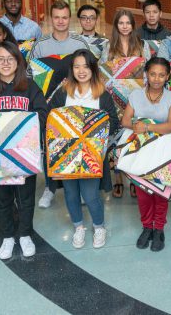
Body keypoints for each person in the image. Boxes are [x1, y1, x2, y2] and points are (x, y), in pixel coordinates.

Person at [0, 41, 49, 259]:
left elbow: (42, 114)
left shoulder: (30, 87)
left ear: (18, 62)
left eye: (10, 59)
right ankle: (7, 236)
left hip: (24, 153)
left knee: (25, 197)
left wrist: (16, 127)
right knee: (1, 197)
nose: (5, 63)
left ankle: (24, 234)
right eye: (0, 59)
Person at [48, 49, 119, 249]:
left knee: (90, 195)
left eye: (86, 66)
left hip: (91, 155)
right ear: (71, 69)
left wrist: (92, 131)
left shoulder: (102, 94)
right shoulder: (64, 92)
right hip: (67, 155)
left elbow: (113, 121)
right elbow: (50, 117)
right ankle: (79, 228)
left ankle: (99, 227)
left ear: (93, 69)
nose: (81, 71)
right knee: (70, 195)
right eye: (77, 66)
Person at [31, 1, 90, 209]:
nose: (61, 21)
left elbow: (90, 71)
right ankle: (50, 187)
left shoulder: (80, 43)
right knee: (50, 145)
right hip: (49, 103)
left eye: (64, 17)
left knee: (76, 142)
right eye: (56, 17)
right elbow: (33, 76)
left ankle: (80, 187)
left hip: (76, 100)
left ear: (70, 18)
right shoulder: (40, 45)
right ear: (50, 19)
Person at [121, 57, 171, 252]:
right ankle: (147, 227)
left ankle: (159, 229)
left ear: (167, 76)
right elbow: (125, 121)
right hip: (140, 151)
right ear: (146, 74)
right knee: (143, 192)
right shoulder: (136, 95)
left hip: (164, 152)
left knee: (161, 192)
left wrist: (146, 126)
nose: (156, 79)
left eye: (161, 75)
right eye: (153, 74)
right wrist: (136, 126)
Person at [101, 9, 150, 198]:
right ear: (116, 25)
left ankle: (133, 178)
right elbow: (103, 72)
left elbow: (147, 70)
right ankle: (118, 178)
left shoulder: (141, 45)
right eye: (121, 23)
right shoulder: (108, 46)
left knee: (133, 138)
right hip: (114, 99)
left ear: (132, 25)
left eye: (128, 23)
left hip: (135, 98)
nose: (124, 26)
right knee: (115, 139)